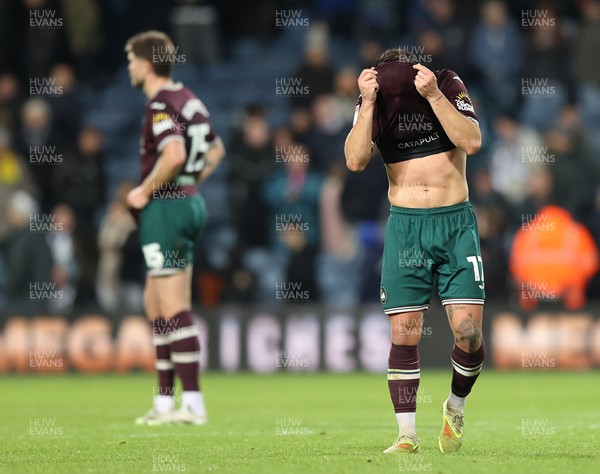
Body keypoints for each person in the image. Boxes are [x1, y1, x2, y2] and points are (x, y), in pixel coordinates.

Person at [344, 48, 484, 454]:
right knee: (404, 332)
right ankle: (407, 434)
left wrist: (435, 96)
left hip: (455, 223)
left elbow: (472, 142)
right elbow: (354, 160)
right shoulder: (374, 100)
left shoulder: (447, 83)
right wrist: (368, 101)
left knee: (469, 333)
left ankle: (455, 405)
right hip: (406, 226)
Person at [124, 31, 225, 425]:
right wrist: (191, 183)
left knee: (173, 306)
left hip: (166, 206)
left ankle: (193, 404)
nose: (129, 66)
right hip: (188, 200)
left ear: (146, 64)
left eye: (131, 59)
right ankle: (166, 402)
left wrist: (143, 190)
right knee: (156, 303)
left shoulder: (160, 103)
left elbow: (174, 152)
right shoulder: (188, 97)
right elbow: (216, 150)